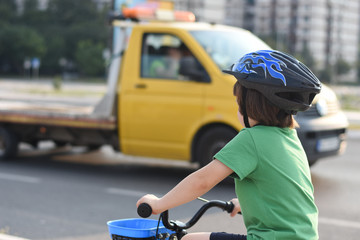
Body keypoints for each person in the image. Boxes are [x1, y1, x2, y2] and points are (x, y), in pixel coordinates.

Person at [137, 50, 321, 240]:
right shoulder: (289, 137)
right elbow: (286, 189)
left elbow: (202, 181)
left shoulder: (251, 139)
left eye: (238, 102)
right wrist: (247, 204)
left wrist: (159, 204)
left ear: (251, 105)